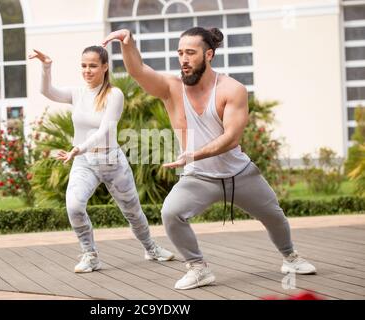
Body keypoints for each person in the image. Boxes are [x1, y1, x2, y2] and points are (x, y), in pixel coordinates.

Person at [102, 27, 316, 290]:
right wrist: (127, 43)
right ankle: (198, 268)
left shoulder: (232, 89)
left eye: (191, 53)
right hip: (199, 177)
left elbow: (232, 137)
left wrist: (195, 153)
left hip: (239, 173)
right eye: (180, 53)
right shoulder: (171, 88)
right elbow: (138, 71)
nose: (184, 59)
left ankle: (290, 257)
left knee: (274, 216)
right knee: (171, 212)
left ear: (209, 54)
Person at [29, 46, 174, 273]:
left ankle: (151, 248)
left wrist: (79, 147)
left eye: (93, 66)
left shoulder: (114, 94)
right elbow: (47, 91)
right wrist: (46, 66)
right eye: (84, 66)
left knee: (133, 212)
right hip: (84, 163)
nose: (87, 71)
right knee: (74, 206)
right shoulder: (77, 93)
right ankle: (90, 255)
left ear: (105, 67)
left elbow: (106, 130)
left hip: (111, 162)